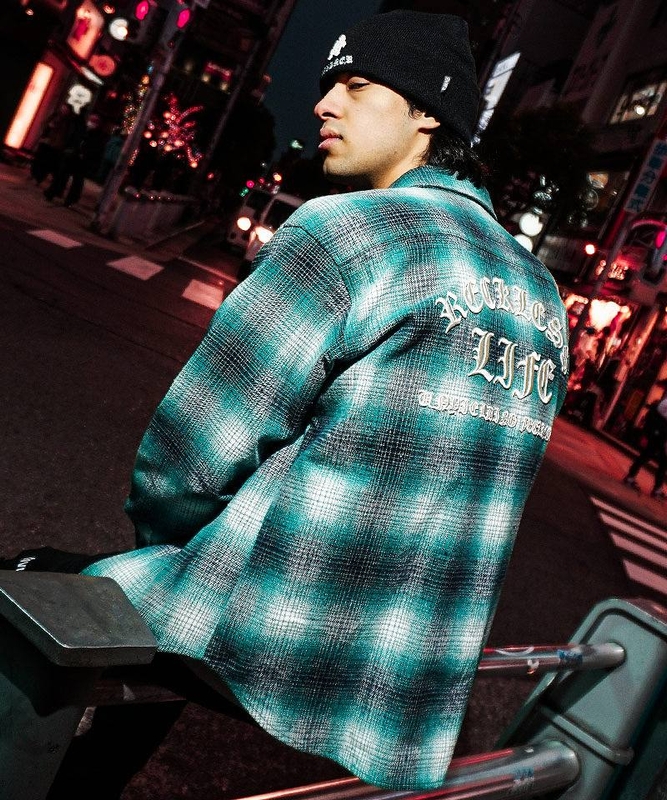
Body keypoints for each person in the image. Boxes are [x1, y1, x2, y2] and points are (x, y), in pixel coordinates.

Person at [2, 11, 569, 793]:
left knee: (36, 586)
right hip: (403, 680)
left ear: (428, 112)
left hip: (280, 637)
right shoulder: (541, 296)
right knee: (158, 634)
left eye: (356, 86)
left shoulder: (349, 232)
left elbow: (188, 459)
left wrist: (169, 552)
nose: (323, 103)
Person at [623, 393, 667, 498]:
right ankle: (631, 478)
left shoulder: (663, 402)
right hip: (659, 435)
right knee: (649, 457)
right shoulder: (665, 403)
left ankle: (657, 488)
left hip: (659, 435)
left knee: (659, 461)